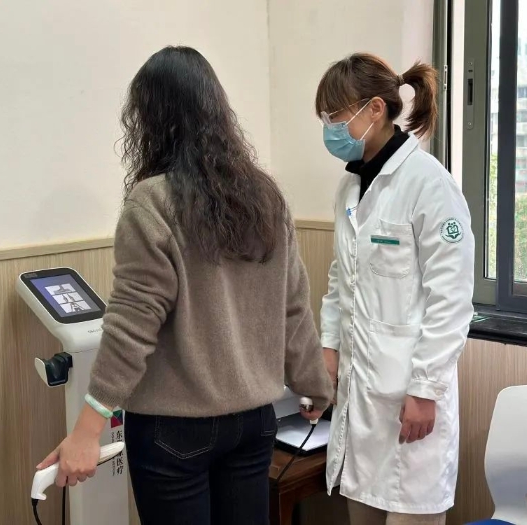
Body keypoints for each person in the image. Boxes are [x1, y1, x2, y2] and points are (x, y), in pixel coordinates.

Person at [36, 46, 334, 525]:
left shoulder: (152, 202)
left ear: (149, 120)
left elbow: (132, 326)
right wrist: (313, 384)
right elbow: (293, 305)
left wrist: (87, 431)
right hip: (253, 423)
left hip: (174, 431)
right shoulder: (265, 198)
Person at [315, 53, 475, 524]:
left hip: (410, 401)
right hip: (360, 405)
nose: (329, 129)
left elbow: (451, 301)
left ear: (374, 110)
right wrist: (328, 347)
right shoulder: (349, 188)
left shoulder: (430, 184)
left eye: (335, 116)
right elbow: (340, 279)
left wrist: (425, 389)